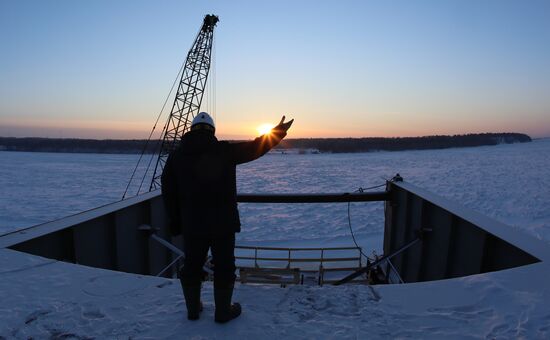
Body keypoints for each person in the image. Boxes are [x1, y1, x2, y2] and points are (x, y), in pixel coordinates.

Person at [161, 112, 293, 323]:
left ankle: (193, 310)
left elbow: (168, 191)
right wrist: (278, 132)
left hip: (193, 224)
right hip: (223, 224)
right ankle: (223, 312)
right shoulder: (224, 150)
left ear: (191, 130)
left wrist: (176, 221)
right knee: (224, 267)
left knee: (192, 266)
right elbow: (255, 148)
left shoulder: (176, 155)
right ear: (212, 130)